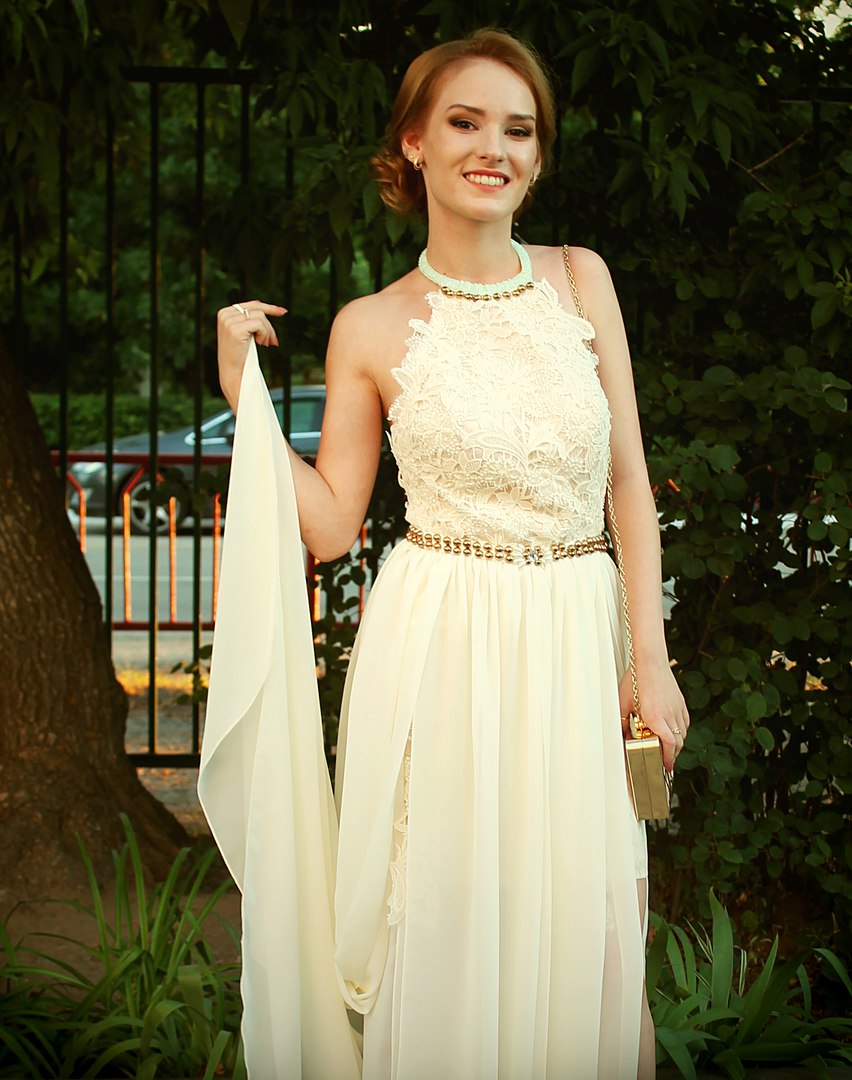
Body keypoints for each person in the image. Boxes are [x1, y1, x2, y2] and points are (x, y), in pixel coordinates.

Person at [200, 27, 689, 1080]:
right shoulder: (371, 326)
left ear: (539, 157)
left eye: (519, 130)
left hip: (577, 639)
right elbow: (331, 525)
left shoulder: (581, 280)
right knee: (448, 912)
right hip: (441, 651)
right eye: (465, 122)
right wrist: (245, 396)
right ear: (414, 143)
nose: (493, 149)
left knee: (586, 914)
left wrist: (649, 660)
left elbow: (629, 484)